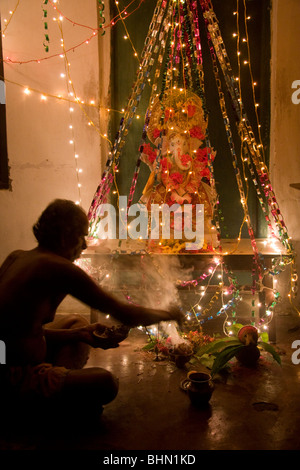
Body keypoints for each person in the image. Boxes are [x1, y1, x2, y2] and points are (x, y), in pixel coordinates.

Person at [0, 199, 183, 416]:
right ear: (63, 236)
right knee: (105, 382)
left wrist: (79, 334)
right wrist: (168, 313)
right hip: (12, 375)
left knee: (78, 323)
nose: (85, 245)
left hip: (9, 353)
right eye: (81, 236)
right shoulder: (57, 267)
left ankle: (58, 388)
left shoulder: (17, 256)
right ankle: (41, 406)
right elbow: (123, 312)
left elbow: (22, 332)